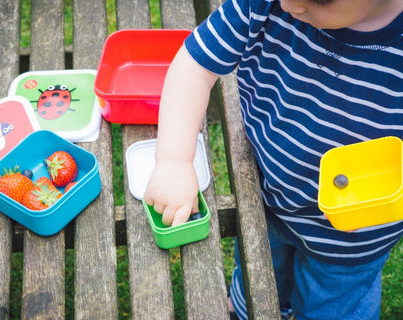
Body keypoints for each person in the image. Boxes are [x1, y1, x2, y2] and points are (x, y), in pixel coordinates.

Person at [143, 0, 403, 319]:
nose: (289, 4)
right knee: (259, 274)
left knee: (335, 305)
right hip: (267, 199)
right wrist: (173, 160)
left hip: (354, 238)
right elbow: (195, 65)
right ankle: (250, 307)